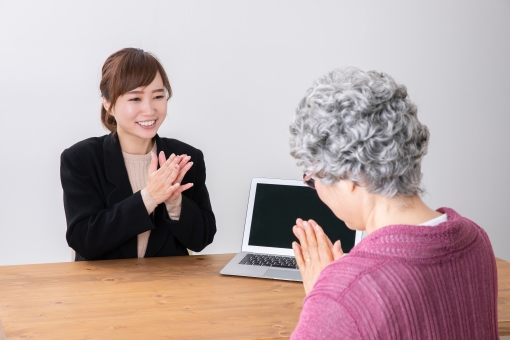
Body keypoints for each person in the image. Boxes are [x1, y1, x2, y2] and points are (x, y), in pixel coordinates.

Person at [288, 67, 498, 339]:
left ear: (350, 175)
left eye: (313, 177)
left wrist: (326, 299)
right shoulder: (476, 241)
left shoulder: (341, 297)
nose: (316, 189)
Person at [60, 48, 216, 261]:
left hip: (169, 288)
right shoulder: (81, 159)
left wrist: (175, 204)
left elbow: (202, 239)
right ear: (109, 104)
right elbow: (84, 240)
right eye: (135, 99)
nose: (149, 109)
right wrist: (149, 197)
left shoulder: (185, 157)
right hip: (103, 289)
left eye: (158, 96)